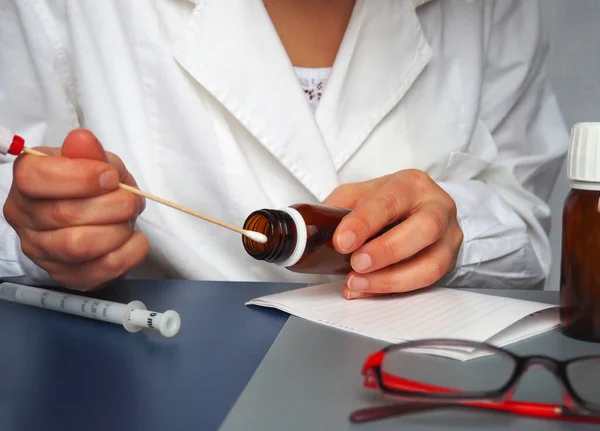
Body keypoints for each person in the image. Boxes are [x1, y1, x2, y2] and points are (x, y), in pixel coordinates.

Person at [0, 0, 568, 299]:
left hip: (409, 389)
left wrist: (457, 232)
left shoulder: (492, 8)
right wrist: (45, 236)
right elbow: (13, 181)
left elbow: (527, 221)